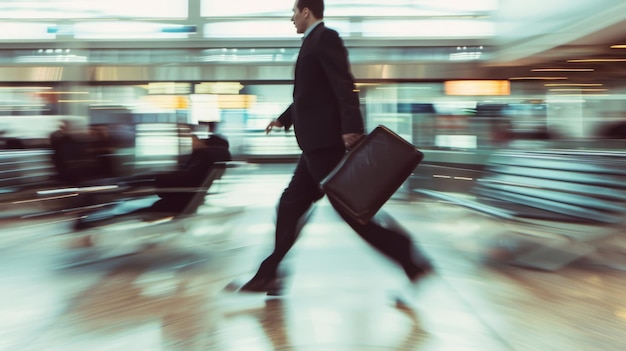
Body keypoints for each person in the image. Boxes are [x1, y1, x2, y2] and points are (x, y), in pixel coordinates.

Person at [233, 0, 433, 298]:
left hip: (325, 145)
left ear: (305, 11)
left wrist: (351, 126)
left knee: (354, 212)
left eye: (293, 13)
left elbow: (343, 83)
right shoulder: (312, 42)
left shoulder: (326, 38)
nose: (291, 19)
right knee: (290, 206)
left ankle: (408, 258)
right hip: (315, 146)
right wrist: (284, 119)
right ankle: (269, 274)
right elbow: (310, 95)